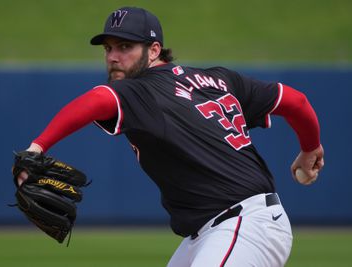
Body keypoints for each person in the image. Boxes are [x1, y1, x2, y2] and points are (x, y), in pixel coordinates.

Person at [17, 6, 324, 267]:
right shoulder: (219, 78)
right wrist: (311, 148)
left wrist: (37, 147)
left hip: (243, 225)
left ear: (154, 50)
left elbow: (96, 101)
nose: (113, 56)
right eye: (108, 47)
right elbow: (295, 101)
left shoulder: (141, 89)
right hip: (214, 232)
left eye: (125, 47)